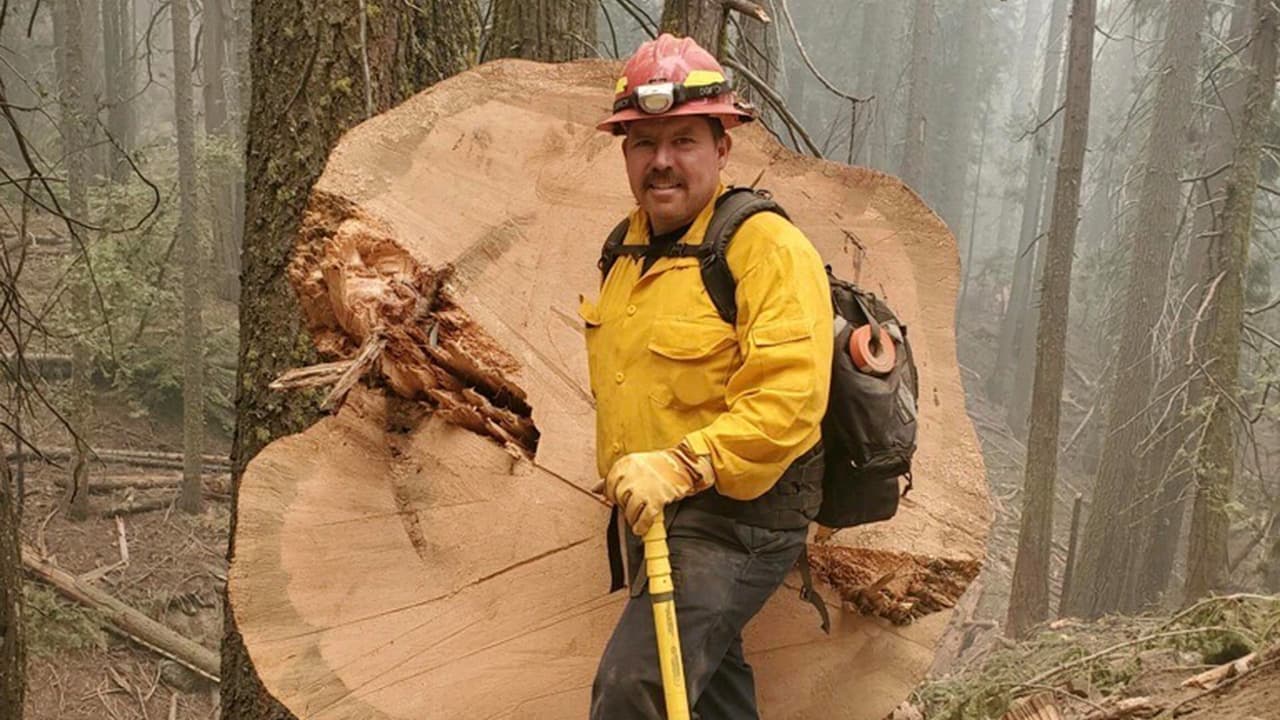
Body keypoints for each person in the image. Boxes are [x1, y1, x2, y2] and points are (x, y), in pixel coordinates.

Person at [580, 33, 834, 720]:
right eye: (642, 142)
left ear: (723, 147)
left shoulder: (766, 247)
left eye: (683, 141)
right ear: (624, 151)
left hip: (736, 516)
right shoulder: (624, 249)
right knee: (711, 694)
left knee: (636, 689)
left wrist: (683, 464)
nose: (661, 162)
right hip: (657, 516)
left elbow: (791, 399)